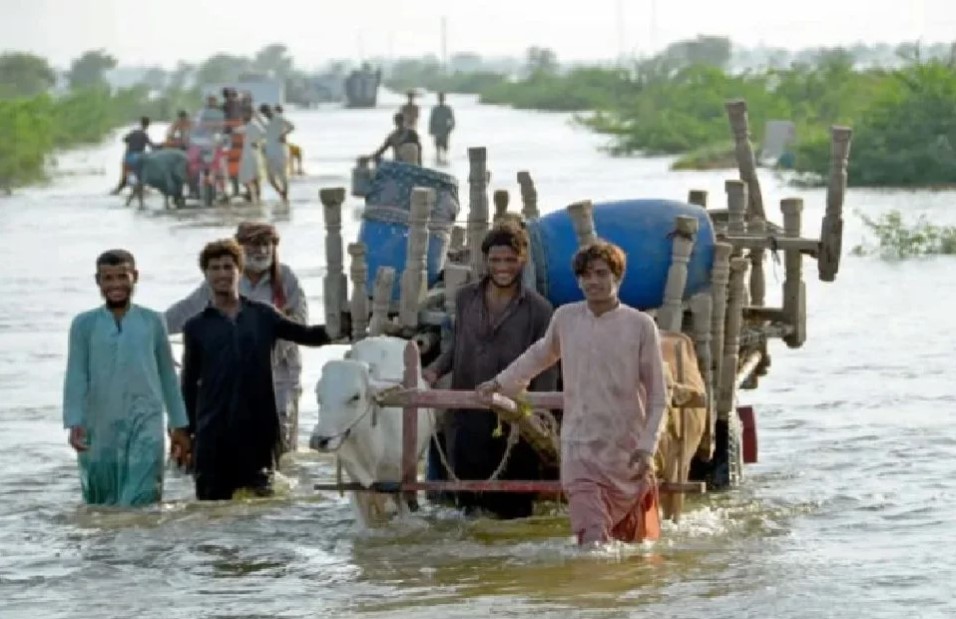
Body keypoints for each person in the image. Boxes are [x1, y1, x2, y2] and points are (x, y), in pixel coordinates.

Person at [477, 240, 667, 545]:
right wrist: (500, 382)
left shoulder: (641, 326)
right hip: (579, 447)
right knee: (590, 537)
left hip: (625, 451)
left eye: (601, 274)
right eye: (585, 275)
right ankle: (584, 587)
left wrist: (647, 446)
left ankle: (615, 591)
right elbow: (540, 354)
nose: (592, 282)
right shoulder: (566, 318)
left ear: (617, 277)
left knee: (629, 542)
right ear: (578, 280)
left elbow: (658, 396)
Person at [423, 222, 557, 519]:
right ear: (485, 261)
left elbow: (546, 364)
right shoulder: (466, 298)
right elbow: (457, 347)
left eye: (510, 260)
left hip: (514, 426)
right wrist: (432, 372)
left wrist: (537, 417)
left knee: (514, 512)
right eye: (495, 260)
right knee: (469, 510)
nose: (502, 267)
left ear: (522, 260)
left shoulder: (540, 310)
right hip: (468, 416)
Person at [179, 238, 329, 501]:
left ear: (240, 270)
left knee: (263, 504)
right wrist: (185, 432)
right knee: (213, 508)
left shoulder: (263, 315)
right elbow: (189, 382)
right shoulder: (196, 326)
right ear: (206, 274)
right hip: (213, 434)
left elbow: (307, 335)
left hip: (258, 429)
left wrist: (341, 326)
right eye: (214, 268)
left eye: (228, 267)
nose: (222, 274)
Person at [165, 222, 308, 458]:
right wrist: (149, 329)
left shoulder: (286, 279)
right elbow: (184, 312)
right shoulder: (225, 277)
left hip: (279, 381)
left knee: (280, 452)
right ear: (239, 250)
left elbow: (298, 324)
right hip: (230, 385)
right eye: (253, 245)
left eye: (266, 245)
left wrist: (260, 359)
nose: (261, 251)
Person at [62, 250, 192, 507]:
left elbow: (167, 373)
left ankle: (145, 547)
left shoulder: (153, 321)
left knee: (143, 500)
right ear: (98, 281)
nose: (116, 285)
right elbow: (76, 373)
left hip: (146, 421)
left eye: (122, 276)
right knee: (102, 503)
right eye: (108, 278)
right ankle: (107, 549)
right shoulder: (84, 324)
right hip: (99, 425)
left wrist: (179, 425)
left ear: (135, 277)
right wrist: (74, 422)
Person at [111, 117, 156, 195]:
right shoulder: (144, 135)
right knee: (141, 178)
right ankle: (139, 190)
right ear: (148, 125)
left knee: (123, 180)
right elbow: (152, 146)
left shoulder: (133, 132)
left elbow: (124, 139)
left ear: (140, 123)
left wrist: (131, 143)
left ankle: (117, 191)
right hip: (138, 158)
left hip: (128, 157)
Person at [260, 104, 295, 203]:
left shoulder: (278, 118)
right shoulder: (266, 122)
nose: (266, 114)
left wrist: (283, 135)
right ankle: (281, 193)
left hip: (280, 150)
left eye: (267, 112)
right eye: (264, 113)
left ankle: (285, 195)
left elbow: (292, 126)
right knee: (270, 177)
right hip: (270, 151)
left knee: (283, 174)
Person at [237, 109, 265, 203]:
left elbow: (263, 134)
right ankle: (253, 195)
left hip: (251, 153)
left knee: (251, 175)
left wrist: (257, 142)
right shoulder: (251, 125)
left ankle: (254, 195)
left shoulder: (252, 125)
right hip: (250, 152)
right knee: (252, 175)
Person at [428, 93, 455, 165]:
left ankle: (445, 158)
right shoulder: (435, 109)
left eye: (442, 98)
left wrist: (450, 128)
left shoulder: (448, 109)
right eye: (439, 98)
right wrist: (430, 129)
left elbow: (452, 119)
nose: (440, 100)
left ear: (444, 99)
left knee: (445, 145)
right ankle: (438, 158)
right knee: (437, 145)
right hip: (437, 129)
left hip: (445, 129)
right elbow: (432, 119)